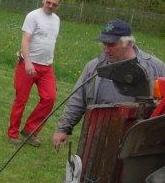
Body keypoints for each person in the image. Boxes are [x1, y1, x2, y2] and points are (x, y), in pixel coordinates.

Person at [53, 19, 165, 150]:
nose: (106, 50)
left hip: (137, 140)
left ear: (128, 43)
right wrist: (63, 128)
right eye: (104, 44)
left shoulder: (155, 67)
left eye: (111, 45)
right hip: (98, 134)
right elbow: (78, 99)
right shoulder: (93, 67)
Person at [7, 0, 62, 147]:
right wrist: (28, 62)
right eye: (48, 2)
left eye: (54, 4)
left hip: (46, 67)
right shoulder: (33, 16)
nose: (50, 6)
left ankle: (30, 130)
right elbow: (25, 40)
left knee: (50, 98)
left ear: (58, 5)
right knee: (21, 100)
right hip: (27, 65)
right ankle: (13, 133)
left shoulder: (56, 20)